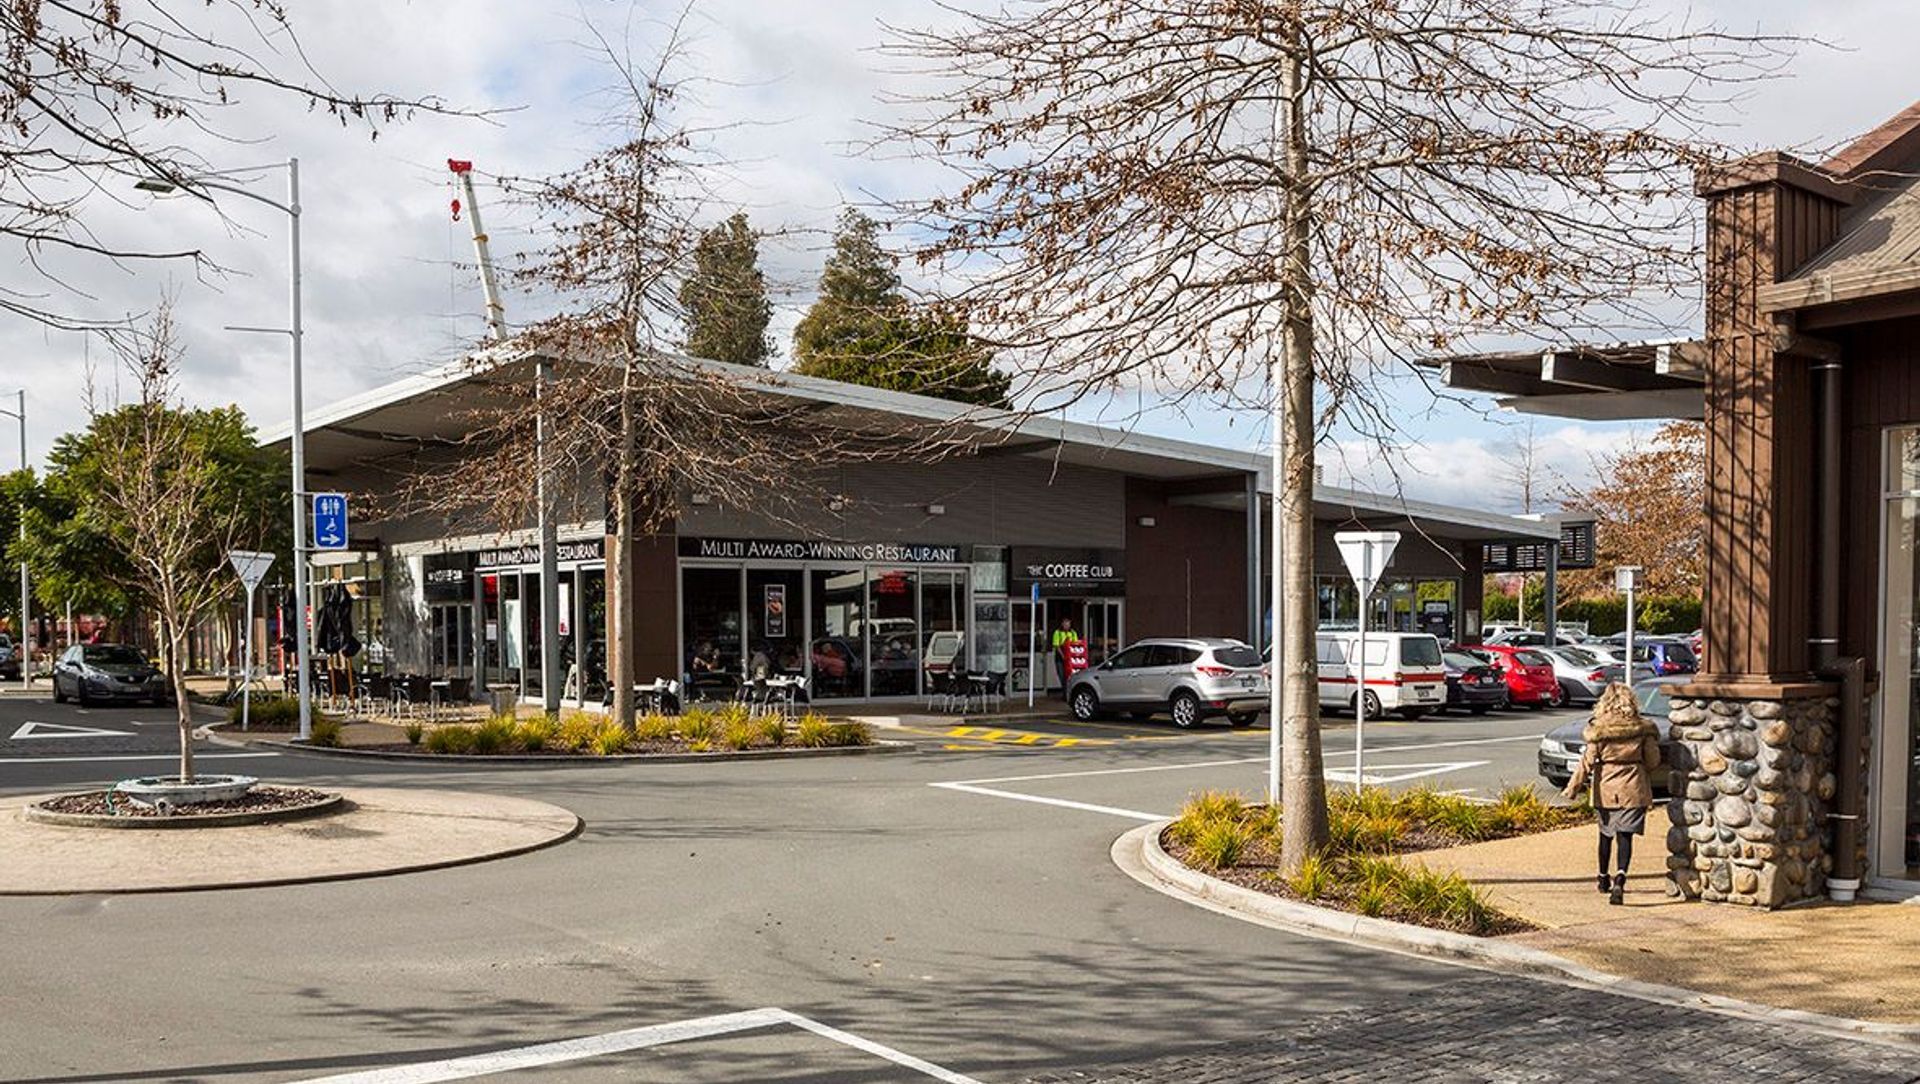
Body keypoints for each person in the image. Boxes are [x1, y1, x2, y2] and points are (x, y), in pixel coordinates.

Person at [1563, 682, 1663, 905]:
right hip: (1633, 787)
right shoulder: (1643, 729)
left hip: (1606, 787)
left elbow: (1586, 763)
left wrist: (1572, 788)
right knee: (1625, 836)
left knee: (1605, 833)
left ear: (1605, 703)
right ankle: (1620, 878)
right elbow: (1653, 761)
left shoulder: (1598, 730)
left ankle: (1602, 877)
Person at [1050, 615, 1080, 693]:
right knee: (1062, 676)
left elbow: (1075, 645)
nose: (1066, 625)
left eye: (1068, 624)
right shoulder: (1057, 633)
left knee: (1070, 676)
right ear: (1062, 624)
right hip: (1060, 658)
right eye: (1065, 623)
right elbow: (1057, 646)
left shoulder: (1073, 633)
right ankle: (1065, 691)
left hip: (1071, 658)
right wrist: (1063, 656)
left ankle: (1069, 692)